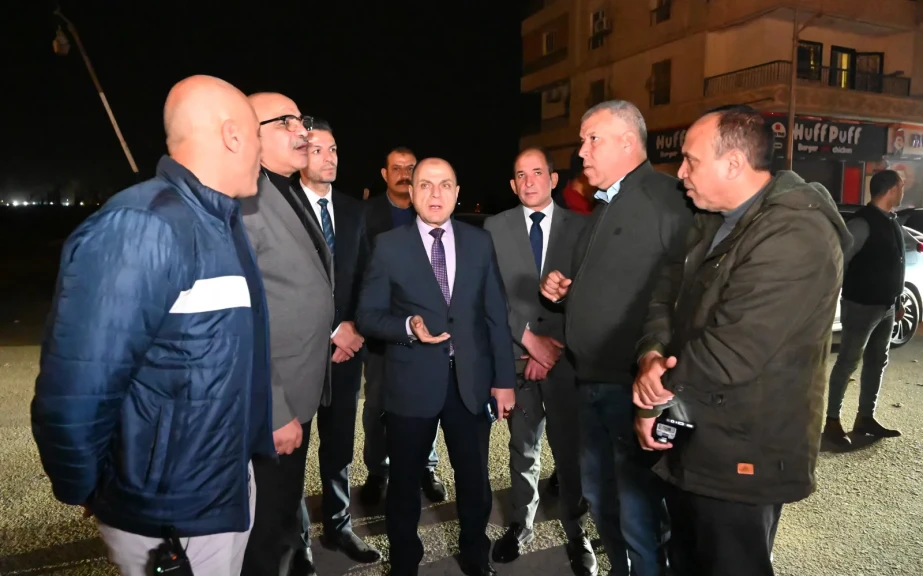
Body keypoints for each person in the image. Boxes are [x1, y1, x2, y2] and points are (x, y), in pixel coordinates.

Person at [31, 75, 272, 575]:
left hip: (219, 491)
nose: (261, 152)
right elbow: (77, 388)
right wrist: (92, 490)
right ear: (232, 136)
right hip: (170, 513)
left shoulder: (219, 222)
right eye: (257, 136)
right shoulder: (144, 227)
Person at [632, 105, 850, 576]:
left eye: (690, 160)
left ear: (733, 164)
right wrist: (651, 353)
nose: (680, 173)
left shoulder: (796, 234)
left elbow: (731, 352)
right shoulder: (715, 219)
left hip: (743, 455)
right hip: (697, 436)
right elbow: (666, 294)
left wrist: (653, 398)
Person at [540, 100, 693, 576]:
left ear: (628, 142)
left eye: (592, 139)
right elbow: (609, 286)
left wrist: (659, 378)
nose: (581, 151)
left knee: (639, 510)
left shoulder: (667, 199)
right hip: (591, 384)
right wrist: (565, 294)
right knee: (601, 497)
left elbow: (683, 296)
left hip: (630, 388)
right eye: (582, 141)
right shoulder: (604, 206)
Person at [356, 158, 516, 576]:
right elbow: (368, 316)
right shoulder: (389, 245)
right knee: (404, 484)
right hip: (411, 385)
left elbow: (495, 316)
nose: (435, 193)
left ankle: (476, 557)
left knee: (474, 482)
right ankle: (404, 563)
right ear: (411, 193)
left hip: (470, 383)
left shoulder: (479, 242)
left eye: (445, 185)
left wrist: (504, 380)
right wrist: (407, 326)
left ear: (457, 193)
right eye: (425, 185)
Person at [484, 148, 596, 576]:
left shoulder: (582, 227)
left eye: (537, 172)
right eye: (520, 175)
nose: (529, 181)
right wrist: (530, 342)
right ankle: (522, 524)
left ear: (553, 179)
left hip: (566, 360)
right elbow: (489, 295)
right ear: (513, 185)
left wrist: (552, 350)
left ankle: (577, 531)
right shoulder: (495, 228)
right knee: (522, 447)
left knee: (570, 450)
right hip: (517, 356)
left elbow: (591, 295)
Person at [239, 94, 334, 576]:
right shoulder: (243, 200)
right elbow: (243, 320)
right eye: (286, 122)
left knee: (280, 516)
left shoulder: (284, 190)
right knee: (264, 529)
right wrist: (276, 410)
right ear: (247, 133)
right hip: (270, 406)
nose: (303, 131)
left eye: (303, 120)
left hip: (298, 390)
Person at [295, 119, 381, 563]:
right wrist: (332, 329)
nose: (328, 158)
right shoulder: (282, 208)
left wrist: (356, 327)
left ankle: (338, 526)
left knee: (339, 445)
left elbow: (369, 276)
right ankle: (297, 543)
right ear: (299, 154)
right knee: (292, 450)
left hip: (347, 353)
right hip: (300, 354)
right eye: (317, 150)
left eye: (333, 150)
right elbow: (284, 287)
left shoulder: (353, 211)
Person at [360, 147, 446, 506]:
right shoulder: (365, 215)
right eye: (396, 168)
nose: (403, 174)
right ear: (385, 174)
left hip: (425, 331)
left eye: (410, 168)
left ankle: (427, 466)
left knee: (429, 401)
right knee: (377, 405)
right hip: (382, 330)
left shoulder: (428, 210)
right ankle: (378, 471)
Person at [823, 169, 905, 448]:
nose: (903, 191)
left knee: (877, 361)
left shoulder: (891, 220)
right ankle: (832, 421)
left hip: (885, 306)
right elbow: (839, 262)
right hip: (861, 306)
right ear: (891, 189)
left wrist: (896, 301)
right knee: (848, 362)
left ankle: (865, 418)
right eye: (901, 186)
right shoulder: (862, 223)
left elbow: (895, 263)